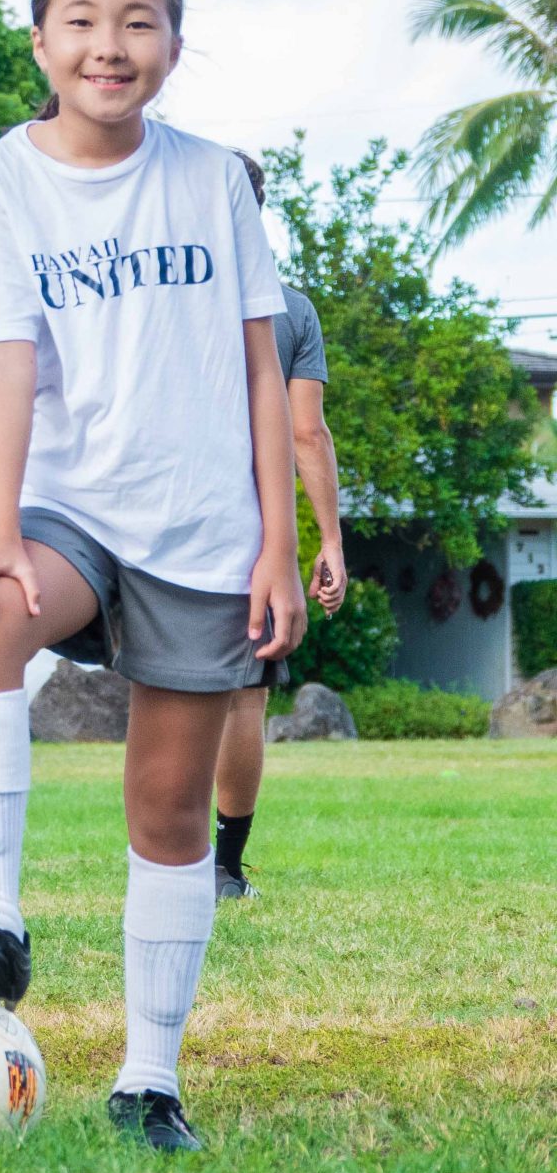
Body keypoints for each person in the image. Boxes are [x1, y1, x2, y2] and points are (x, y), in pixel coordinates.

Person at [0, 0, 306, 1153]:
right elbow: (3, 356)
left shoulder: (213, 178)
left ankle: (147, 1080)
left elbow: (258, 367)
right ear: (41, 41)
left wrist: (276, 544)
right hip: (69, 508)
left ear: (172, 46)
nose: (107, 44)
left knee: (167, 815)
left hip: (202, 524)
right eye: (80, 19)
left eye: (137, 21)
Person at [213, 153, 348, 899]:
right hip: (252, 528)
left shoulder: (164, 293)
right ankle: (226, 867)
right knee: (244, 697)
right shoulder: (290, 307)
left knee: (163, 690)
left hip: (155, 511)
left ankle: (164, 859)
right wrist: (327, 540)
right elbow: (307, 432)